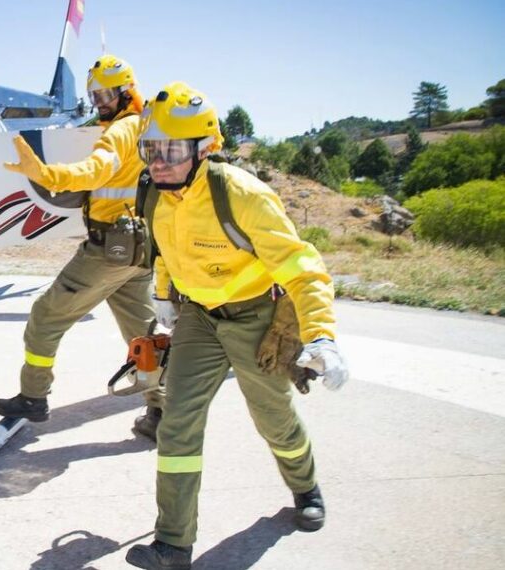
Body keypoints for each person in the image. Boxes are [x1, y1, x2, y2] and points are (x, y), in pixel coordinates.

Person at [124, 82, 349, 570]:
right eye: (151, 150)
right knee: (178, 421)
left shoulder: (243, 195)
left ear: (205, 150)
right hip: (199, 320)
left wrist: (322, 335)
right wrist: (163, 298)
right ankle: (172, 544)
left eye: (171, 150)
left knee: (274, 419)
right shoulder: (158, 197)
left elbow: (302, 268)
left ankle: (305, 486)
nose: (158, 162)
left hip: (256, 317)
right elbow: (164, 252)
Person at [0, 55, 163, 439]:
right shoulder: (148, 129)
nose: (98, 100)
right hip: (139, 250)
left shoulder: (119, 133)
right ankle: (163, 413)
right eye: (93, 94)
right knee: (144, 335)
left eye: (105, 93)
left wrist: (46, 174)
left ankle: (33, 396)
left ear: (126, 91)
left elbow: (94, 170)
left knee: (45, 317)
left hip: (108, 250)